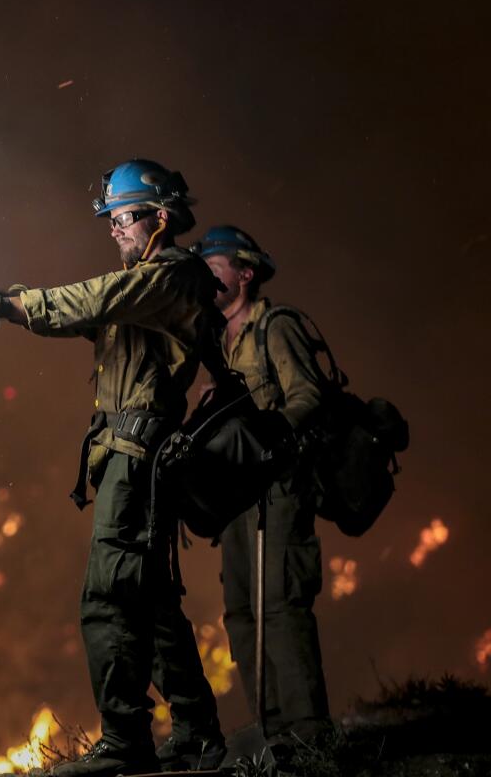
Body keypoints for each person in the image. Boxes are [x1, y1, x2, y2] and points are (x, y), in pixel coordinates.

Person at [0, 159, 226, 775]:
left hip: (137, 460)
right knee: (149, 600)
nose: (113, 228)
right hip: (128, 458)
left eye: (120, 217)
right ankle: (198, 732)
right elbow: (78, 315)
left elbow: (95, 298)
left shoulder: (172, 276)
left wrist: (7, 307)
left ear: (159, 217)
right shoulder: (145, 290)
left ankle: (126, 739)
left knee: (107, 598)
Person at [193, 225, 331, 759]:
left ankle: (310, 733)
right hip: (236, 496)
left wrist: (268, 438)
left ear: (245, 273)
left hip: (278, 490)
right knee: (240, 613)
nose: (206, 274)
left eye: (215, 265)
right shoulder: (217, 342)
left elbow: (308, 395)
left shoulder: (275, 325)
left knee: (280, 605)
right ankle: (273, 736)